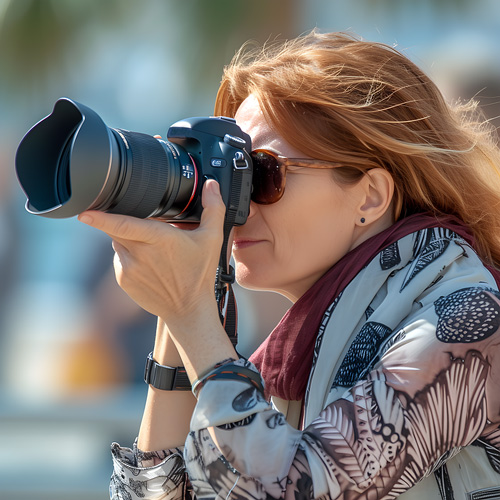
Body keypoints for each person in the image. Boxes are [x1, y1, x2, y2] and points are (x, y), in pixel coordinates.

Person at [79, 30, 500, 499]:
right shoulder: (304, 347)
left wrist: (191, 316)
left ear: (370, 196)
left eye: (262, 173)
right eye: (232, 174)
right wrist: (177, 318)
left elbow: (292, 487)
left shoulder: (466, 318)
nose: (239, 206)